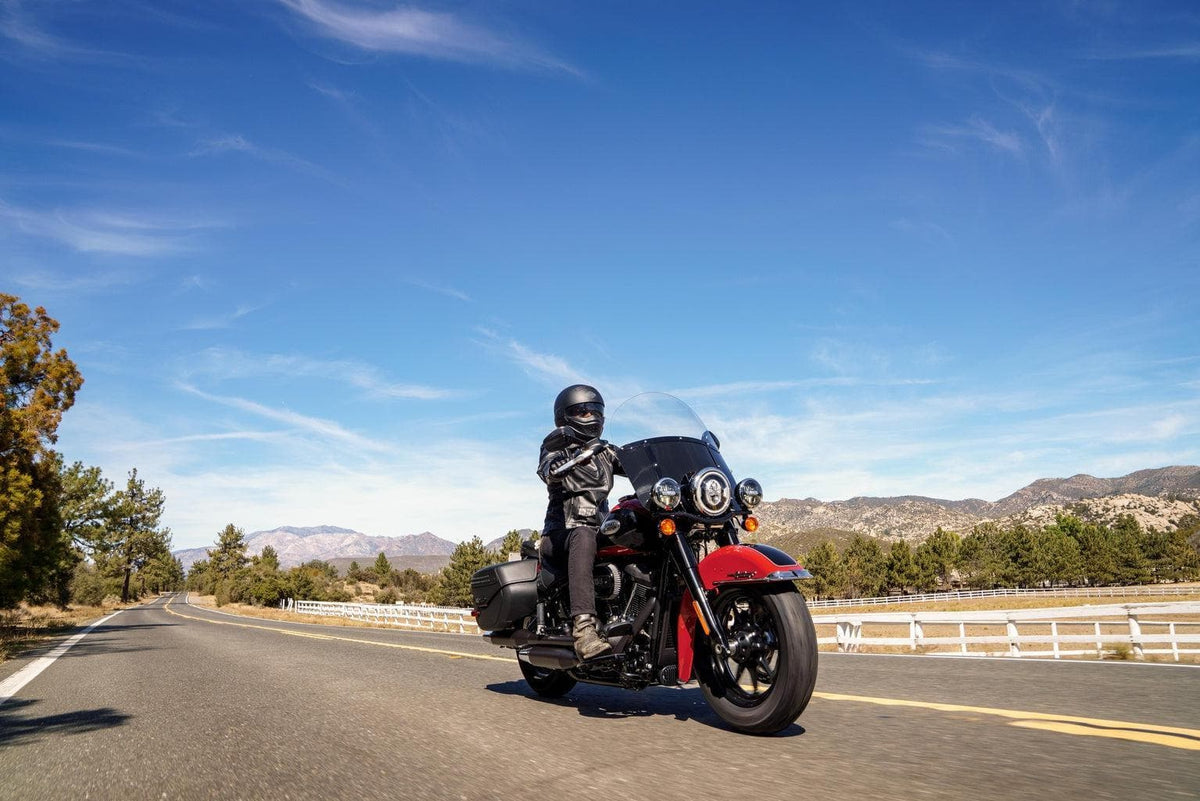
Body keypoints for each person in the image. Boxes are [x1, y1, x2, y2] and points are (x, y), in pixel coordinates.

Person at [536, 384, 620, 660]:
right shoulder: (556, 447)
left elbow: (638, 463)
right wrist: (555, 469)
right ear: (565, 416)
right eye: (583, 411)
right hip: (562, 534)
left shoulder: (605, 452)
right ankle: (584, 630)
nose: (591, 417)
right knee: (584, 534)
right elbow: (548, 467)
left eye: (596, 411)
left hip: (599, 530)